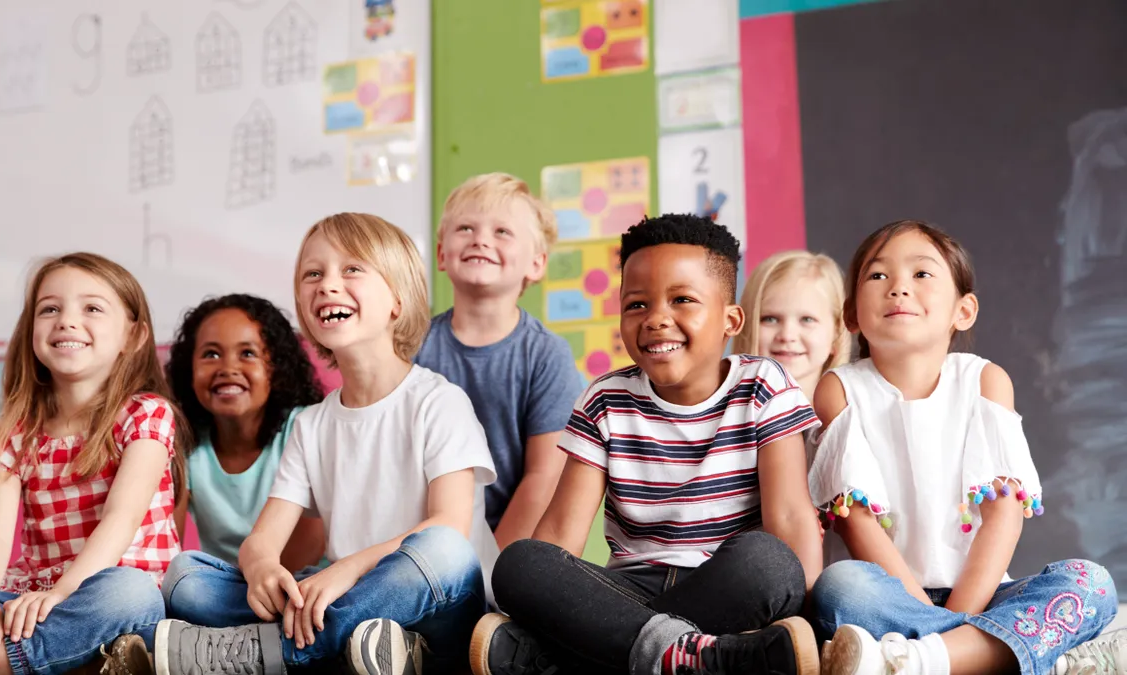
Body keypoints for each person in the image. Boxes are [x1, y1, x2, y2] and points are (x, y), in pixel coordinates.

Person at [472, 215, 824, 675]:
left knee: (769, 563)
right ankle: (696, 658)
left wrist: (814, 626)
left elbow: (791, 517)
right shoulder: (605, 400)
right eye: (636, 305)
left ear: (730, 320)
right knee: (518, 563)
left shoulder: (763, 385)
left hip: (724, 586)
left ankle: (590, 657)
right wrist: (542, 594)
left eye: (683, 300)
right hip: (624, 592)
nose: (657, 318)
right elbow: (559, 534)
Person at [156, 213, 498, 675]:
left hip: (437, 605)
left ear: (398, 299)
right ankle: (359, 644)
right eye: (312, 274)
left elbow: (451, 527)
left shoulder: (439, 401)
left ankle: (272, 653)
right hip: (341, 600)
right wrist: (261, 569)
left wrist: (348, 570)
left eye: (352, 269)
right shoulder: (312, 425)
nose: (327, 285)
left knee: (444, 549)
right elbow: (262, 540)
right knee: (186, 578)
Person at [809, 220, 1120, 675]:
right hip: (890, 600)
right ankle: (987, 654)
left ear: (964, 310)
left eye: (921, 274)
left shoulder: (984, 382)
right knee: (841, 587)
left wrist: (958, 619)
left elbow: (1004, 515)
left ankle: (924, 660)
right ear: (852, 314)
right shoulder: (839, 389)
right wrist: (951, 626)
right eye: (878, 276)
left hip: (985, 593)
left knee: (1091, 584)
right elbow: (857, 525)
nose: (898, 288)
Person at [0, 252, 188, 675]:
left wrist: (65, 591)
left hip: (110, 600)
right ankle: (24, 647)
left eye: (91, 308)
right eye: (50, 308)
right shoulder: (17, 429)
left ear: (134, 336)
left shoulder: (146, 414)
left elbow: (121, 519)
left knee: (129, 593)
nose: (66, 320)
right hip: (28, 601)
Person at [417, 172, 585, 548]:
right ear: (442, 254)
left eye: (502, 232)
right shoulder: (413, 346)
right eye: (465, 228)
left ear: (536, 264)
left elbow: (542, 478)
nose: (481, 240)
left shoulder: (546, 355)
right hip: (424, 541)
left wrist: (487, 570)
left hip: (506, 548)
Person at [162, 294, 326, 575]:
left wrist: (262, 586)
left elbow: (312, 541)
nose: (227, 369)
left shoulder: (305, 426)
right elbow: (169, 543)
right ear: (189, 370)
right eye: (210, 354)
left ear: (276, 368)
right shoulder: (184, 443)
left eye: (248, 354)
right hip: (228, 588)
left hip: (302, 579)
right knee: (185, 580)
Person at [733, 250, 850, 397]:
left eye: (807, 319)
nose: (787, 335)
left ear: (836, 333)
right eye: (770, 319)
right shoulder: (725, 416)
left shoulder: (855, 417)